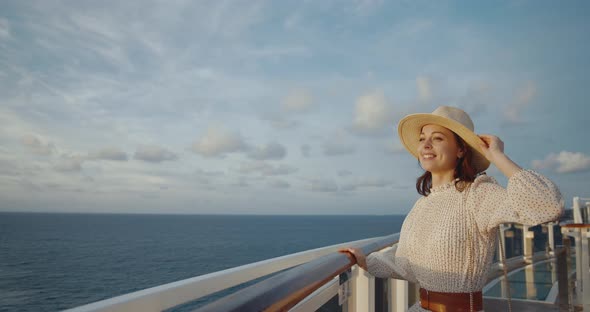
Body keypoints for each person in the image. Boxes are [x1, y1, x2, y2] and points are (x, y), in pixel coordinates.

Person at [341, 106, 564, 312]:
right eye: (422, 139)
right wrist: (364, 260)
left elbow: (547, 205)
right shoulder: (422, 204)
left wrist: (497, 156)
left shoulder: (478, 193)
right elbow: (406, 264)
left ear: (460, 150)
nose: (426, 145)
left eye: (437, 138)